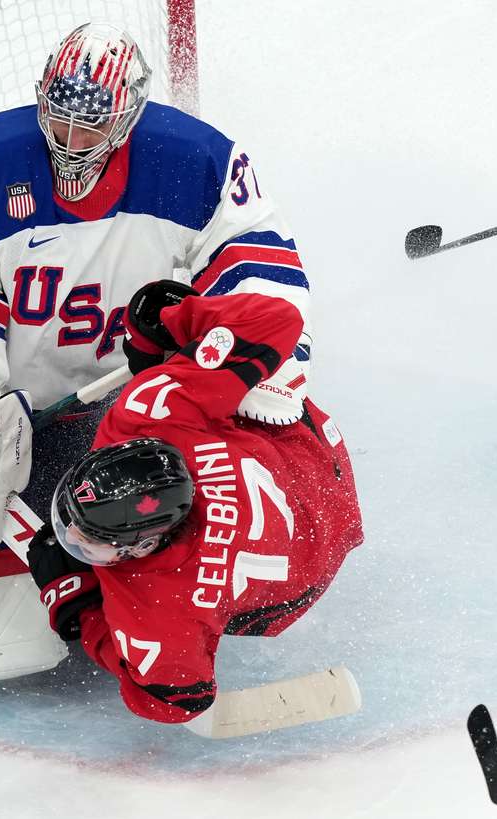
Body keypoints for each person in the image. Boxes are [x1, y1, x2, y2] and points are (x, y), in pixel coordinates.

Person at [0, 22, 315, 558]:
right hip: (11, 404)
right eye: (58, 120)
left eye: (90, 126)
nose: (69, 141)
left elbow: (254, 255)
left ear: (129, 116)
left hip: (122, 397)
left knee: (151, 528)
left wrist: (265, 360)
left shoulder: (192, 158)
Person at [26, 282, 363, 724]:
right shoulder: (150, 412)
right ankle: (214, 373)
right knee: (242, 375)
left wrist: (81, 609)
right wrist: (168, 329)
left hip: (303, 574)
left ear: (142, 546)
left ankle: (210, 372)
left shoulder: (159, 604)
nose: (70, 535)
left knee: (203, 373)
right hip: (315, 465)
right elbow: (278, 318)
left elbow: (176, 701)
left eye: (93, 544)